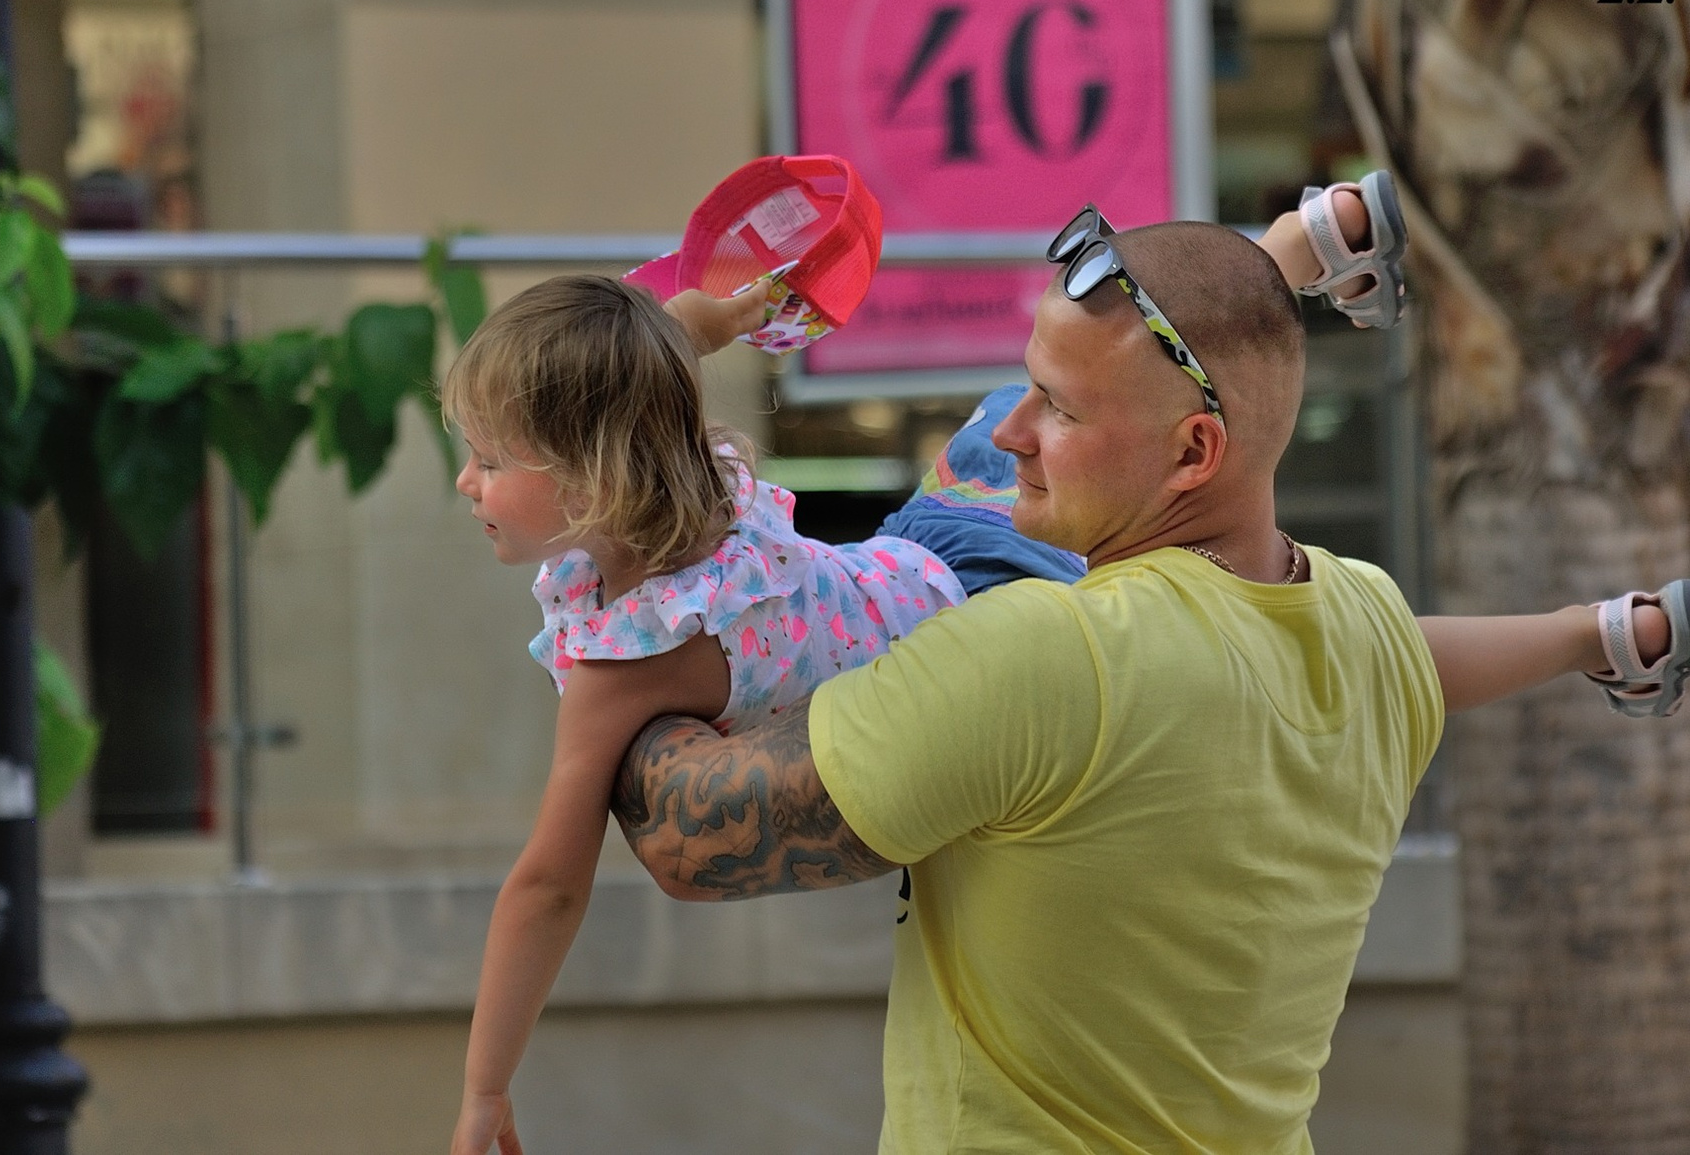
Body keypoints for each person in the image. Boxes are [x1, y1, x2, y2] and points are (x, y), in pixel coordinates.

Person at [444, 193, 1681, 1155]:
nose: (1020, 425)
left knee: (1020, 437)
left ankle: (1291, 257)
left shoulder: (1045, 653)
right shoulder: (1351, 616)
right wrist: (1584, 637)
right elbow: (1418, 656)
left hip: (958, 585)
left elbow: (668, 845)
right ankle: (1301, 257)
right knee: (1022, 430)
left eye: (1062, 412)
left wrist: (486, 1082)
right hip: (927, 549)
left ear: (1196, 454)